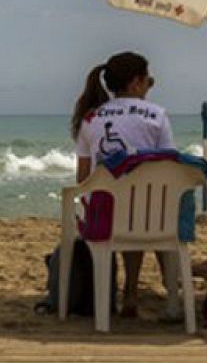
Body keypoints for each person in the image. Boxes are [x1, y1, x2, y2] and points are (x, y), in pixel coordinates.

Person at [69, 51, 175, 320]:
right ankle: (169, 291)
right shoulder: (157, 115)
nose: (149, 87)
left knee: (127, 207)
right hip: (151, 219)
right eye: (149, 81)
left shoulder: (90, 119)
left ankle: (130, 293)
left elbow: (83, 178)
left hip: (104, 218)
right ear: (136, 82)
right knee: (158, 211)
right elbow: (169, 165)